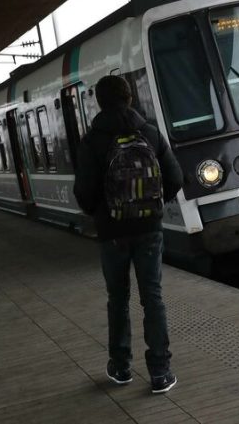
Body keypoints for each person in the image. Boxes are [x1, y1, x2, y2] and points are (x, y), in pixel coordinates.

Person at [74, 75, 183, 394]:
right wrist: (153, 204)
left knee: (118, 299)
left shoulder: (92, 141)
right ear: (130, 98)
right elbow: (175, 178)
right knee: (153, 297)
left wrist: (104, 212)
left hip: (112, 232)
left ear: (100, 102)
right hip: (149, 229)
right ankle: (161, 372)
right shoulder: (149, 132)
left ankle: (121, 368)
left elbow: (84, 194)